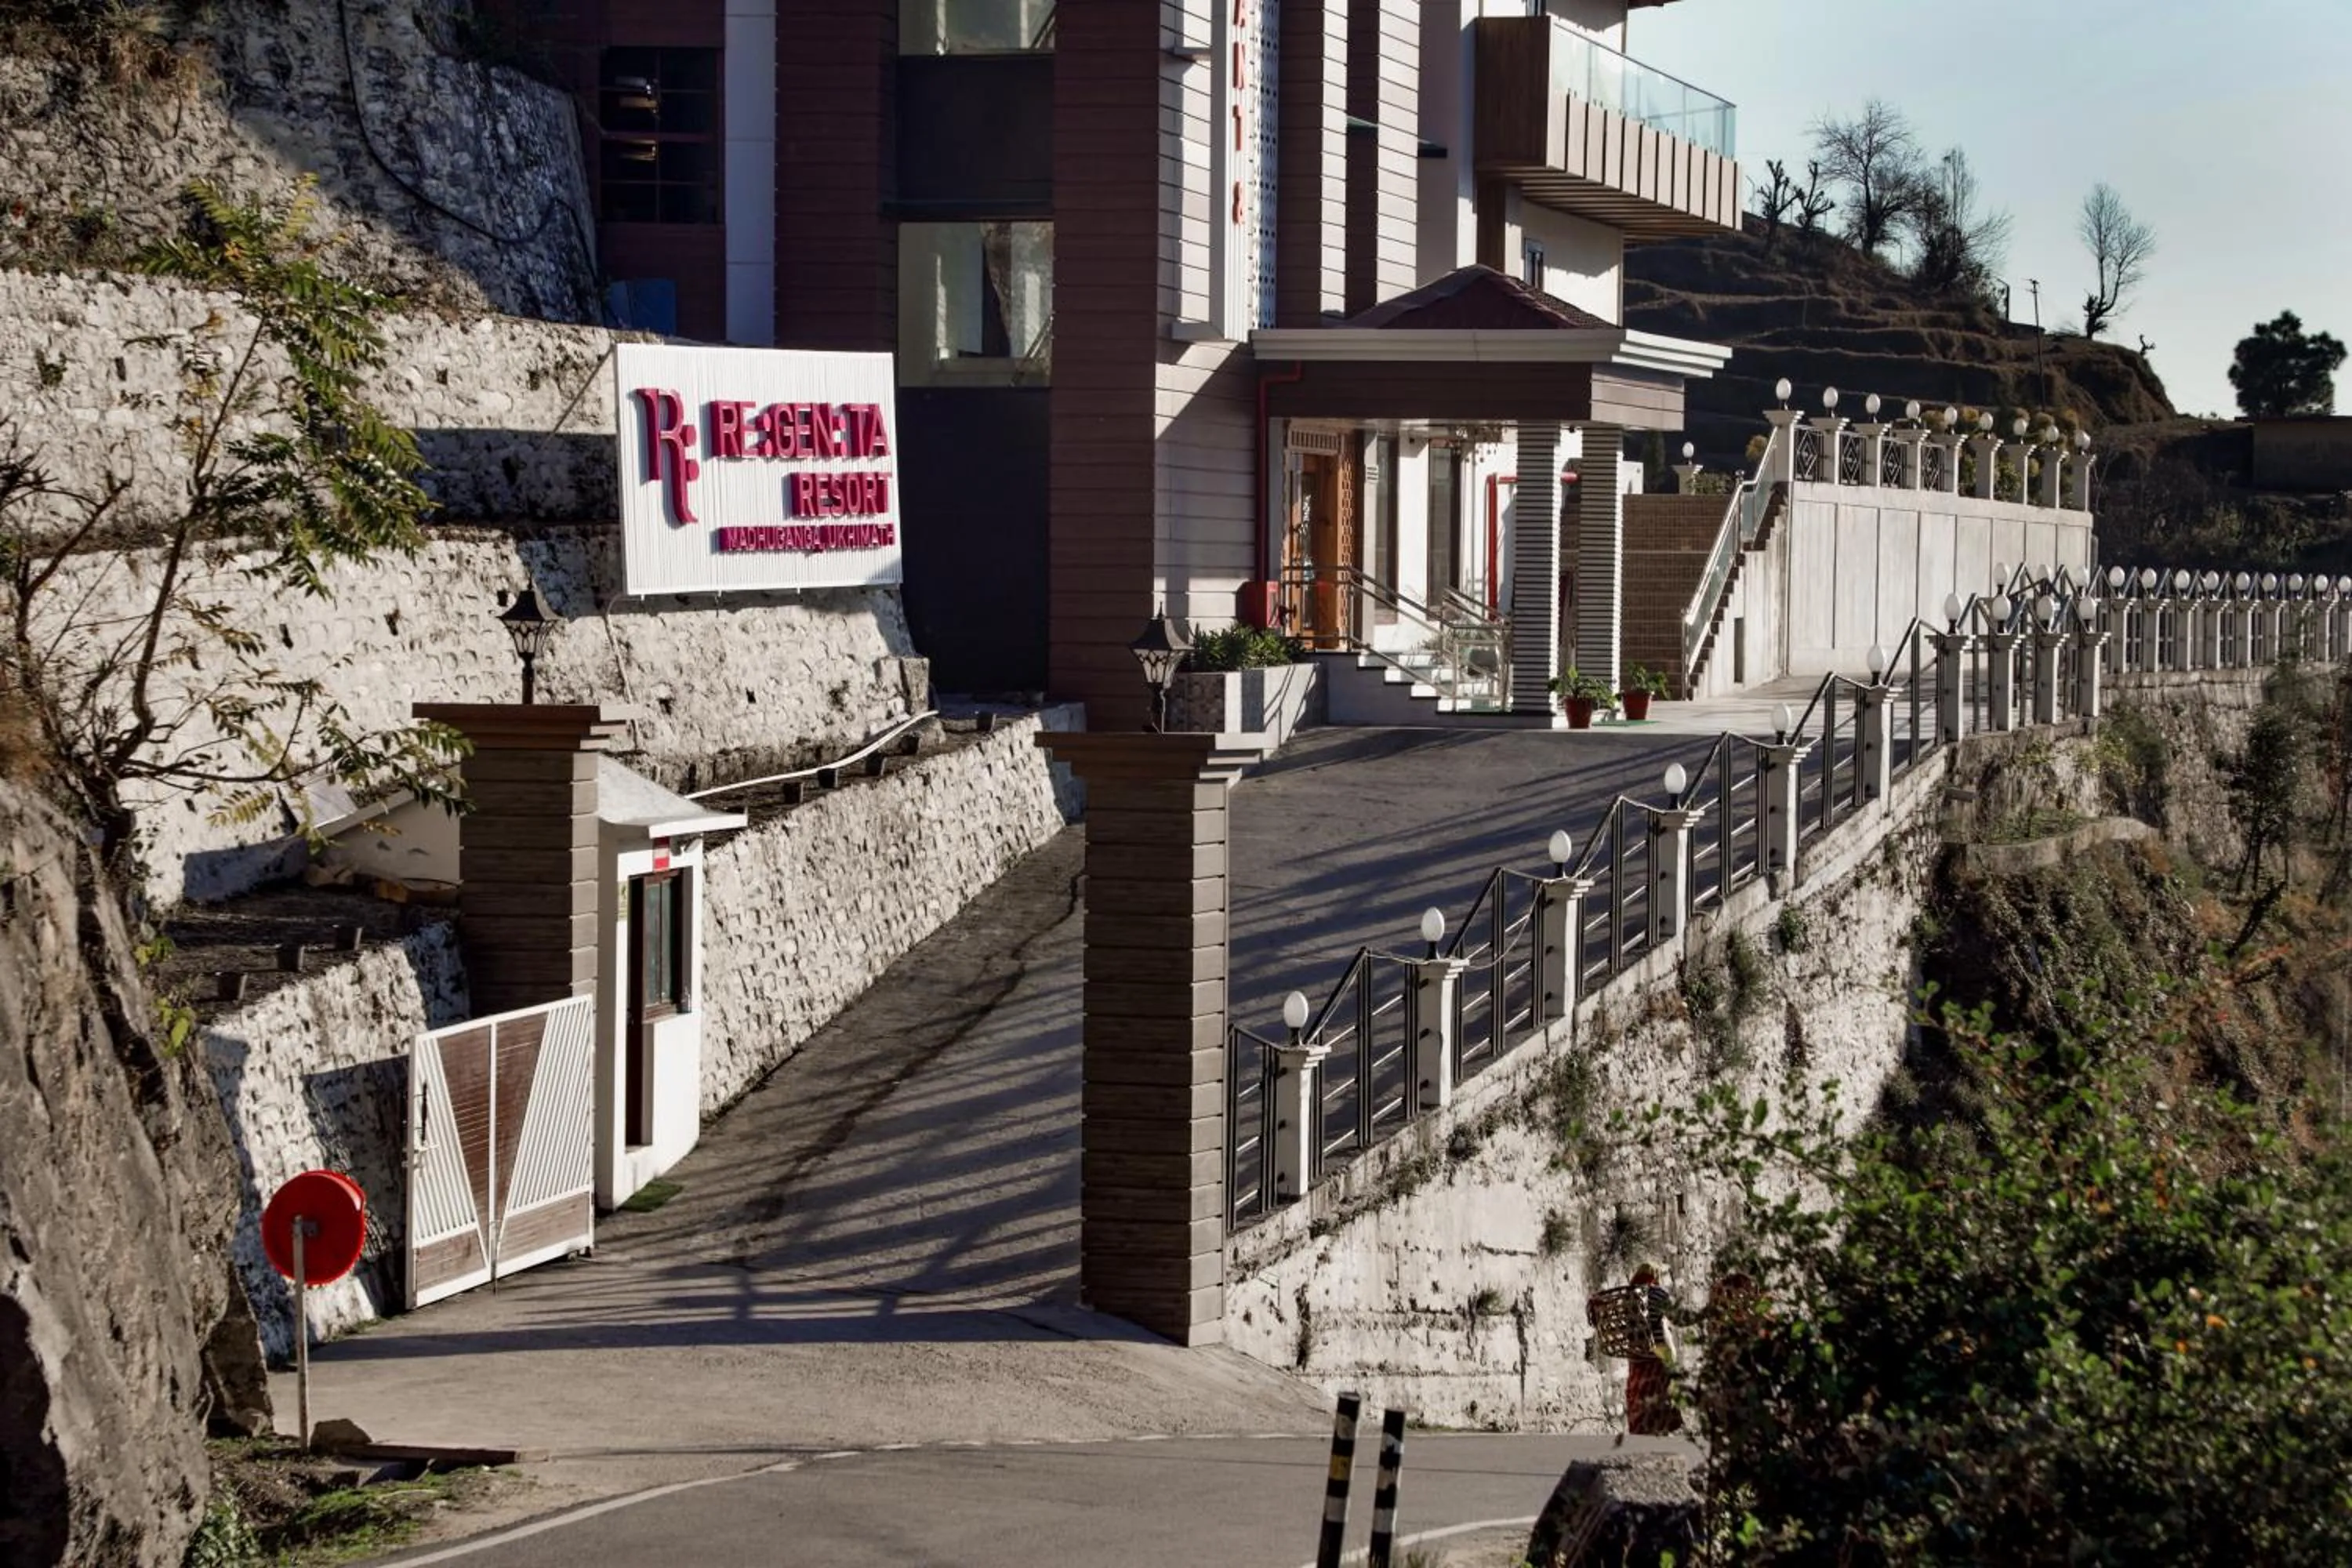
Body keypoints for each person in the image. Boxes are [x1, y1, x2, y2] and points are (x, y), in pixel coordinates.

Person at [1588, 1263, 1682, 1436]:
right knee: (1661, 1389)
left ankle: (1641, 1427)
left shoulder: (1628, 1296)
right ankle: (1662, 1427)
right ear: (1655, 1275)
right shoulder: (1660, 1294)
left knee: (1639, 1391)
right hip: (1659, 1353)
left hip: (1637, 1355)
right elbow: (1676, 1318)